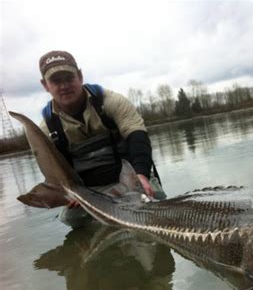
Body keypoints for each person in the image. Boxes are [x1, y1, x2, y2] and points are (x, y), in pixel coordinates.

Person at [38, 50, 166, 228]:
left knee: (156, 198)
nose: (64, 85)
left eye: (69, 77)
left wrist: (142, 174)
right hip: (90, 191)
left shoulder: (111, 102)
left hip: (131, 178)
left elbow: (137, 136)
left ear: (80, 76)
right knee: (71, 219)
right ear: (45, 85)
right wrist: (71, 193)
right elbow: (58, 174)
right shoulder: (47, 130)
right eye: (56, 81)